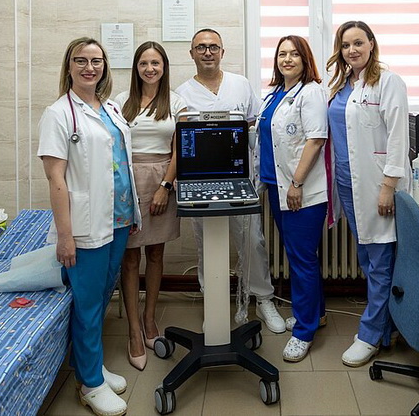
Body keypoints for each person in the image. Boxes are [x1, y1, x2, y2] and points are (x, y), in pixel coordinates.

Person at [38, 37, 141, 416]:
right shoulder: (58, 114)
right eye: (80, 61)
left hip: (119, 218)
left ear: (105, 67)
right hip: (86, 225)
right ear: (68, 66)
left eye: (96, 61)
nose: (89, 67)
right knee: (88, 303)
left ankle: (91, 365)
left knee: (101, 295)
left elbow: (120, 161)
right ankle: (89, 384)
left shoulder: (110, 107)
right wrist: (65, 236)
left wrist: (131, 214)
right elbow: (55, 179)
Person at [176, 28, 285, 334]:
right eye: (201, 47)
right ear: (192, 53)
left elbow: (254, 126)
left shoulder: (240, 85)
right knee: (206, 243)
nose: (207, 52)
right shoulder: (182, 93)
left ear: (222, 52)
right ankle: (212, 302)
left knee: (252, 240)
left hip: (240, 178)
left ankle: (263, 298)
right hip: (200, 181)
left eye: (213, 47)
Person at [325, 21, 412, 367]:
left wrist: (388, 187)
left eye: (358, 43)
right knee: (367, 256)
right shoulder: (342, 84)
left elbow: (398, 138)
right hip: (348, 183)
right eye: (346, 45)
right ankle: (386, 328)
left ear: (372, 44)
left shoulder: (388, 82)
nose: (352, 50)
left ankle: (371, 334)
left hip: (377, 184)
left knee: (379, 261)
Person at [255, 35, 329, 362]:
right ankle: (316, 314)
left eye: (294, 54)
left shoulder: (310, 92)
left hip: (301, 190)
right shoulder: (276, 94)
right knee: (298, 256)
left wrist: (297, 182)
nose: (287, 59)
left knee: (301, 260)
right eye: (282, 54)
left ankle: (304, 332)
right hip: (276, 185)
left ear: (305, 59)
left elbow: (316, 140)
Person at [114, 41, 187, 371]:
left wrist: (165, 187)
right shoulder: (121, 102)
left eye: (155, 63)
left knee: (156, 254)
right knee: (130, 258)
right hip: (128, 181)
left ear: (164, 67)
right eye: (144, 63)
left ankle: (149, 318)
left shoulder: (176, 102)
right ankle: (133, 331)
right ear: (136, 68)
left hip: (162, 180)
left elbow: (180, 150)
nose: (150, 69)